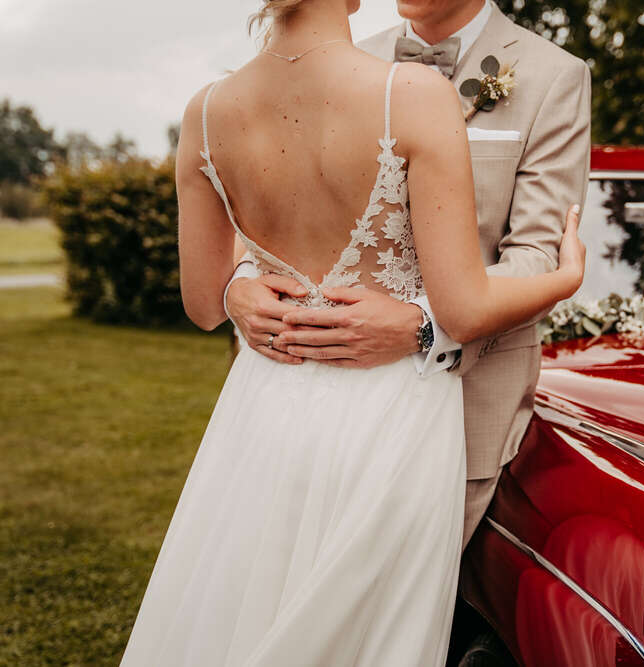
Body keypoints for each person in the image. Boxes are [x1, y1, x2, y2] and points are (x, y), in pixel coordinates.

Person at [119, 0, 585, 664]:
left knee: (247, 607)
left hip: (263, 406)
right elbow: (464, 308)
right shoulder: (412, 94)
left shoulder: (203, 110)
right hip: (389, 410)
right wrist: (566, 277)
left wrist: (238, 288)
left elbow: (202, 301)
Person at [225, 0, 592, 548]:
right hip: (315, 405)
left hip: (463, 410)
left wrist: (424, 329)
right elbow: (274, 198)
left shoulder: (553, 75)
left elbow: (538, 253)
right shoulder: (344, 59)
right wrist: (241, 282)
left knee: (407, 622)